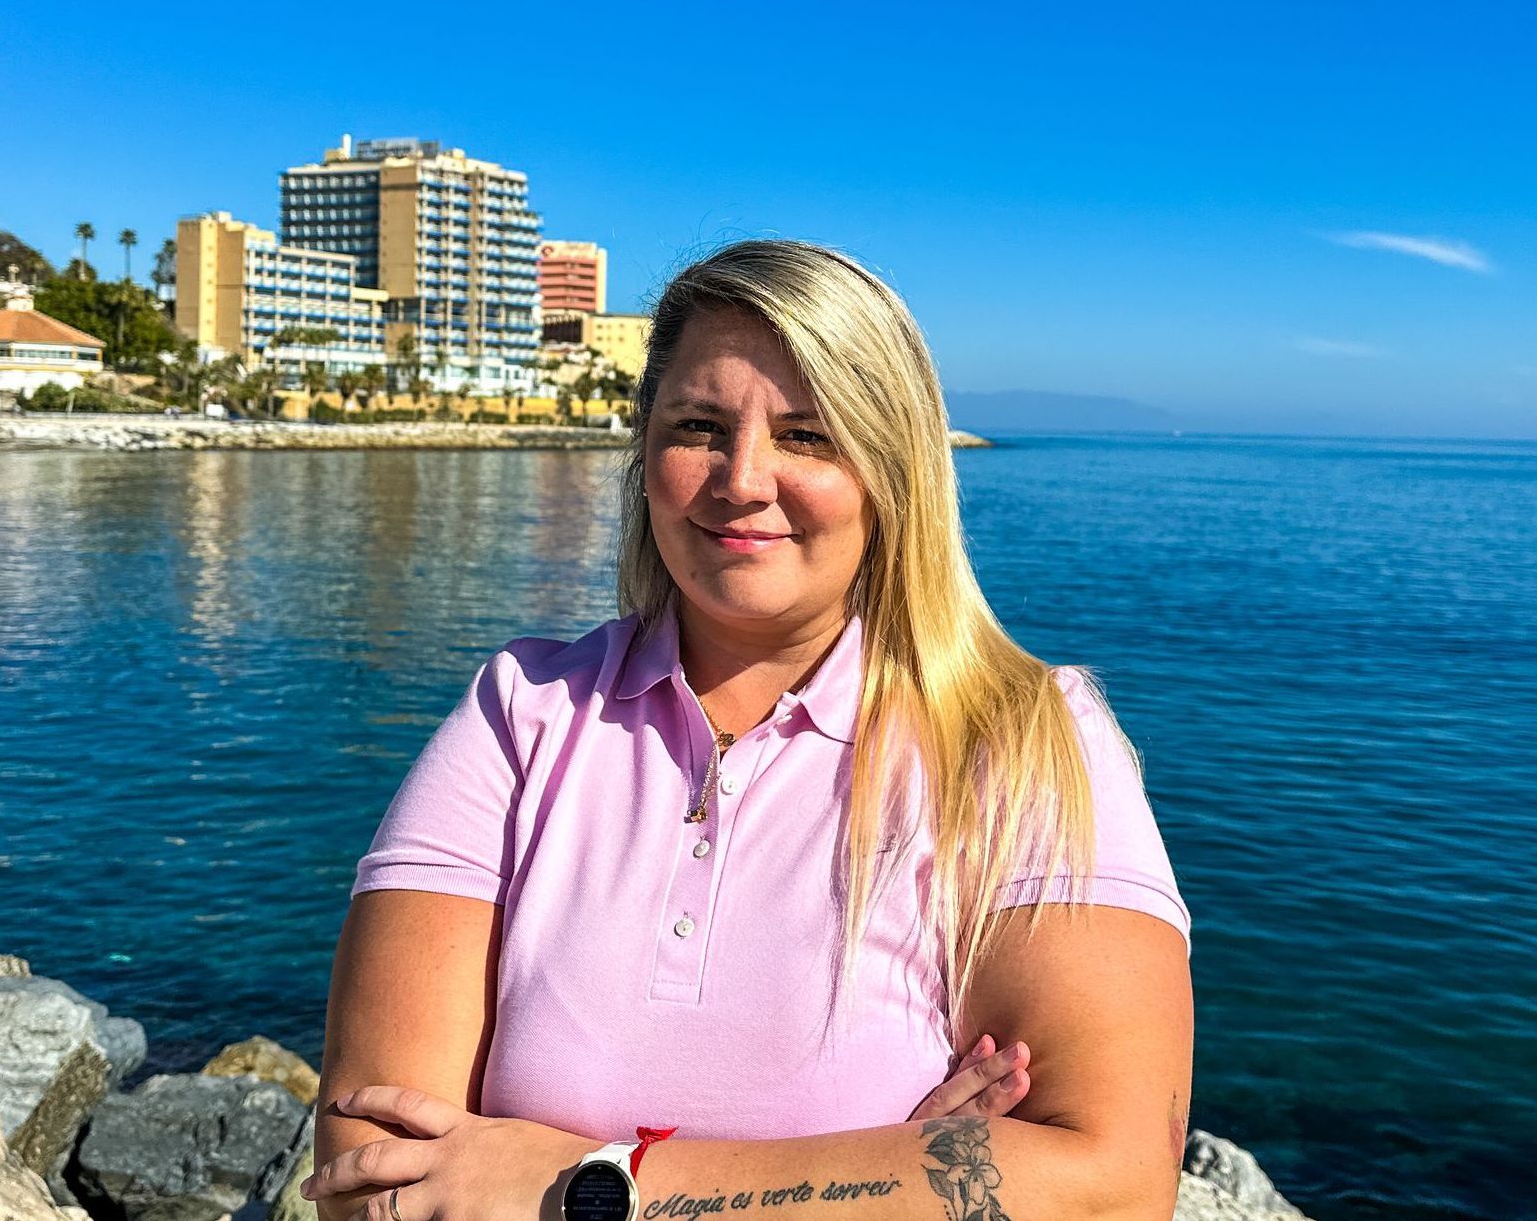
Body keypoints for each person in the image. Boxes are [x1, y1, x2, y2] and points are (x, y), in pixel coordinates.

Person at [306, 239, 1193, 1221]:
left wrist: (583, 1188)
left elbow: (1110, 1184)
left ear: (890, 467)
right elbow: (370, 1176)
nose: (742, 478)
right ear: (644, 451)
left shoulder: (1023, 741)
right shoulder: (522, 712)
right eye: (698, 424)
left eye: (807, 435)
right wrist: (898, 1169)